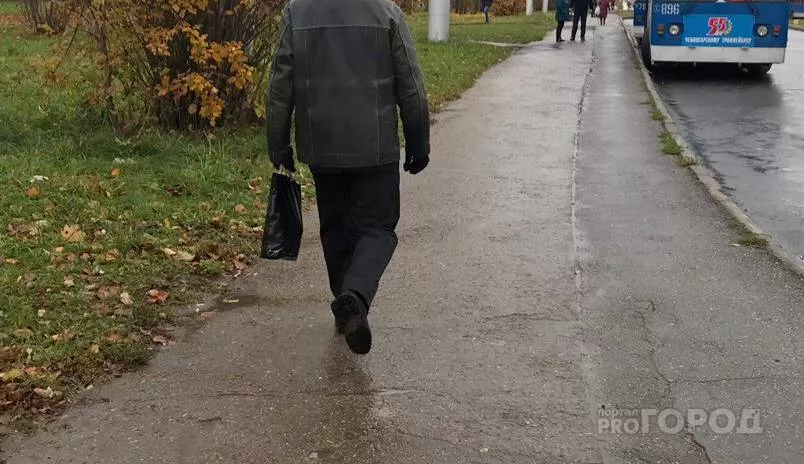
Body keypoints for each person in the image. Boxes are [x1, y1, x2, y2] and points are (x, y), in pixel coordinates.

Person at [267, 0, 430, 355]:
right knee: (378, 227)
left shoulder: (297, 12)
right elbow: (411, 85)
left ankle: (345, 306)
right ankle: (354, 297)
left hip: (321, 145)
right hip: (375, 147)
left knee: (335, 227)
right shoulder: (386, 12)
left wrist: (278, 144)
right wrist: (418, 142)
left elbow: (280, 85)